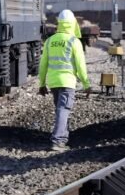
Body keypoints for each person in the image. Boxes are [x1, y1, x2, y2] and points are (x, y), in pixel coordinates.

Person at [38, 9, 91, 152]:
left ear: (59, 24)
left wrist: (42, 84)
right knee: (64, 109)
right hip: (67, 82)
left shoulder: (50, 41)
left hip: (54, 82)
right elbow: (80, 65)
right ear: (73, 24)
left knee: (61, 110)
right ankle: (58, 141)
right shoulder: (74, 41)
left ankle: (63, 137)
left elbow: (43, 65)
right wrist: (87, 84)